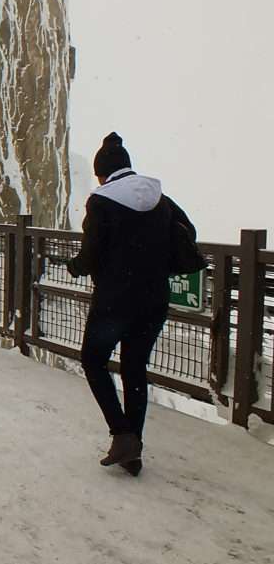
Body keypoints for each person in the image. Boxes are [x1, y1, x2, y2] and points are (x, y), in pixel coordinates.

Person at [67, 133, 196, 476]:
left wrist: (75, 265)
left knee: (93, 360)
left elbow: (91, 253)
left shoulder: (101, 201)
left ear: (102, 173)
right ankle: (132, 448)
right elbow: (188, 231)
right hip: (154, 299)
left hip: (114, 301)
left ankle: (121, 433)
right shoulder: (160, 198)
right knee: (134, 368)